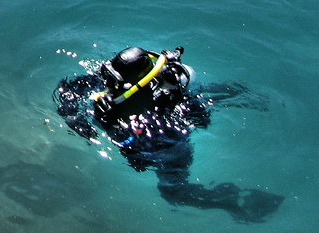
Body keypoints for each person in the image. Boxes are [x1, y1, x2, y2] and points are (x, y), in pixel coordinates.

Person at [54, 46, 283, 222]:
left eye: (113, 80)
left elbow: (139, 158)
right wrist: (76, 119)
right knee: (212, 95)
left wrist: (111, 125)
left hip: (171, 137)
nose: (105, 83)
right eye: (107, 74)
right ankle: (257, 97)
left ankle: (233, 201)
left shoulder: (159, 114)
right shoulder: (113, 78)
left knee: (174, 192)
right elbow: (69, 90)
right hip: (157, 105)